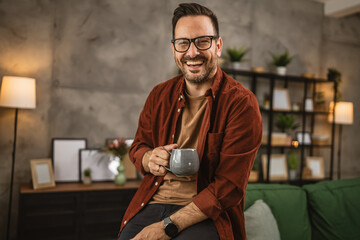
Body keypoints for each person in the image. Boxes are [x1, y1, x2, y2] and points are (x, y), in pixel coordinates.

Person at [118, 3, 262, 240]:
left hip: (206, 213)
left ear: (218, 46)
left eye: (202, 41)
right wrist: (148, 158)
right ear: (174, 49)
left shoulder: (242, 104)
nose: (192, 52)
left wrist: (166, 227)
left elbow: (228, 187)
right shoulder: (158, 95)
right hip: (152, 202)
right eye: (183, 43)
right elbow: (138, 146)